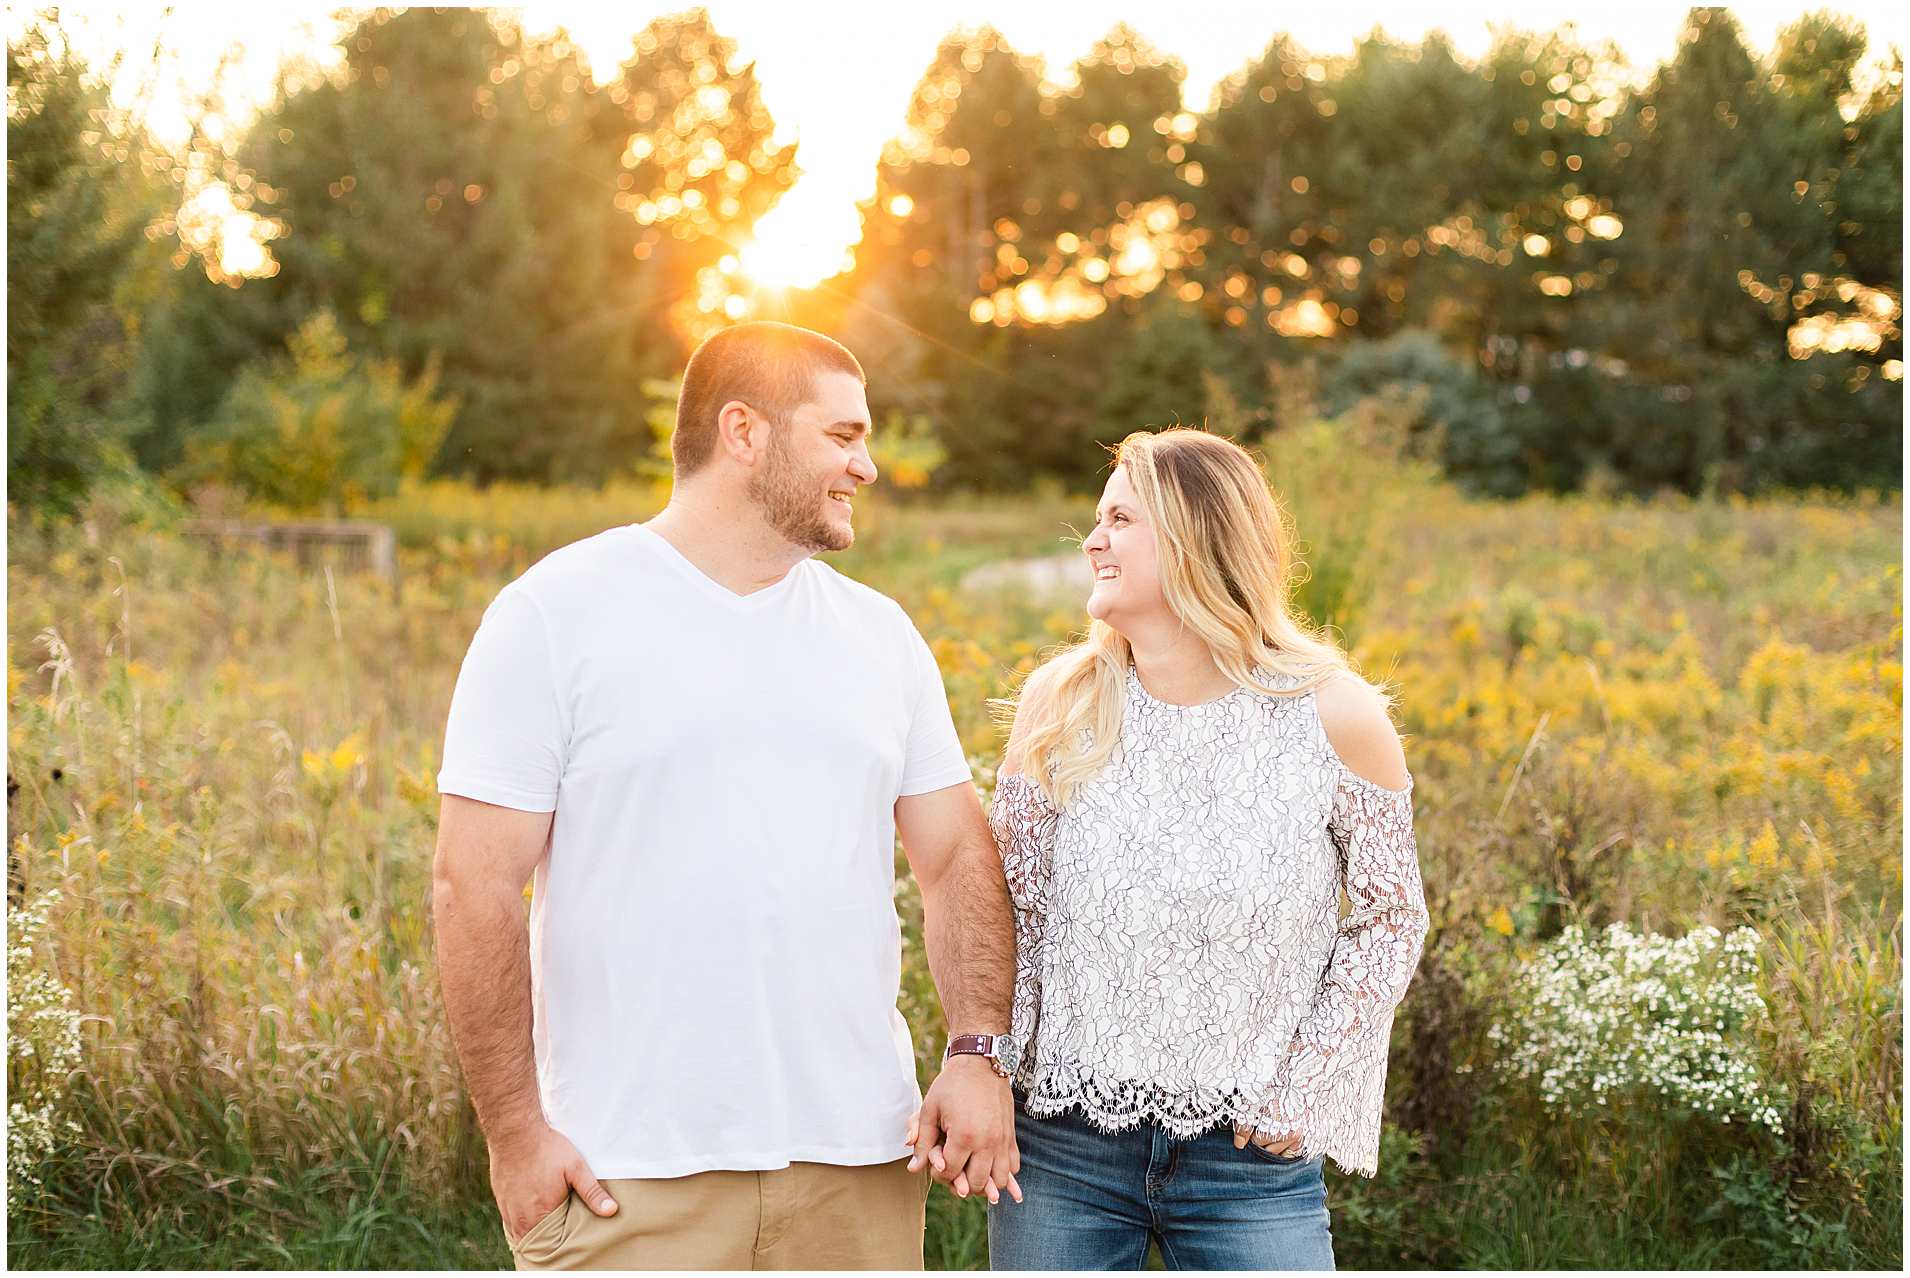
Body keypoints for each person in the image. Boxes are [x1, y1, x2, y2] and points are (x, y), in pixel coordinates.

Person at [431, 321, 1021, 1271]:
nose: (867, 466)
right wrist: (514, 1137)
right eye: (842, 436)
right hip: (629, 1174)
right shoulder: (553, 615)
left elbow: (954, 856)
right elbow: (474, 885)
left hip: (857, 1163)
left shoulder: (879, 634)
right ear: (743, 432)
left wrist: (975, 1051)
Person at [984, 427, 1429, 1272]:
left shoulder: (1334, 713)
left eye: (1119, 518)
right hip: (1062, 1150)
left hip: (1250, 1159)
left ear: (1196, 534)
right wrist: (989, 1074)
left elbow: (1389, 917)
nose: (1091, 541)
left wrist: (1309, 1081)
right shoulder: (1060, 703)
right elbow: (1016, 909)